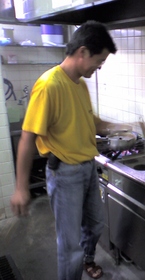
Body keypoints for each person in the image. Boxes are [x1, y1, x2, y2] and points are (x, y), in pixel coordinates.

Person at [10, 20, 127, 279]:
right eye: (100, 60)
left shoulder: (79, 84)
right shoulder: (50, 85)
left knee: (96, 224)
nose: (100, 66)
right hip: (64, 175)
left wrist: (125, 126)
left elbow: (92, 122)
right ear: (83, 52)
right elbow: (28, 137)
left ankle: (87, 260)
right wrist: (20, 187)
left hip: (87, 167)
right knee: (69, 244)